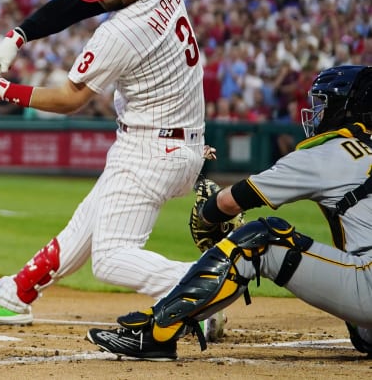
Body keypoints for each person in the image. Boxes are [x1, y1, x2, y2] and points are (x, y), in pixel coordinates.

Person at [0, 0, 216, 331]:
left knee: (109, 259)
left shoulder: (122, 32)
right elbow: (78, 3)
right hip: (169, 142)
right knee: (83, 229)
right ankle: (14, 295)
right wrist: (17, 37)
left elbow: (68, 99)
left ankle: (204, 285)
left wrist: (1, 89)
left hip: (151, 150)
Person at [86, 64, 372, 361]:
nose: (317, 113)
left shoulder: (331, 152)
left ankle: (156, 332)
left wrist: (206, 217)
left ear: (344, 108)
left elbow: (230, 202)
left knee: (260, 239)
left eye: (323, 103)